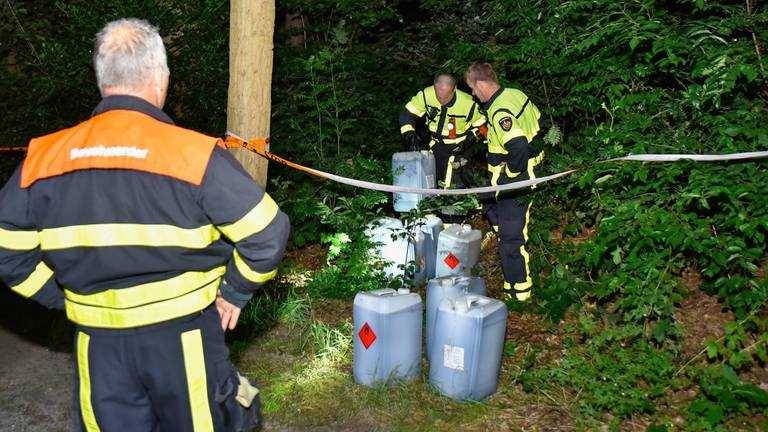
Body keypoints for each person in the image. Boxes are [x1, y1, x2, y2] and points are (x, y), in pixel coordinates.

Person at [0, 18, 289, 431]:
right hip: (183, 340)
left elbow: (7, 251)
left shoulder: (43, 159)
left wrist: (63, 298)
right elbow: (268, 231)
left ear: (103, 80)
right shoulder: (192, 154)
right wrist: (234, 292)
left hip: (98, 343)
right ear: (159, 77)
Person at [464, 62, 544, 302]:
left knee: (511, 238)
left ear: (480, 84)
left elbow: (518, 147)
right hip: (517, 176)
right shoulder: (515, 94)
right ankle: (504, 229)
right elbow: (537, 124)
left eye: (472, 88)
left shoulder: (500, 111)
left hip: (515, 182)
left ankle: (518, 293)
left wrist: (510, 176)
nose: (473, 94)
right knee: (487, 201)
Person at [399, 74, 486, 191]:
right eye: (438, 96)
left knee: (456, 188)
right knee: (430, 184)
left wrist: (471, 139)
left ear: (454, 89)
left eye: (445, 97)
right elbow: (406, 114)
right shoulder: (426, 95)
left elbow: (485, 127)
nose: (441, 100)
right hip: (435, 147)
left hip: (459, 150)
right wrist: (409, 136)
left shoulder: (468, 104)